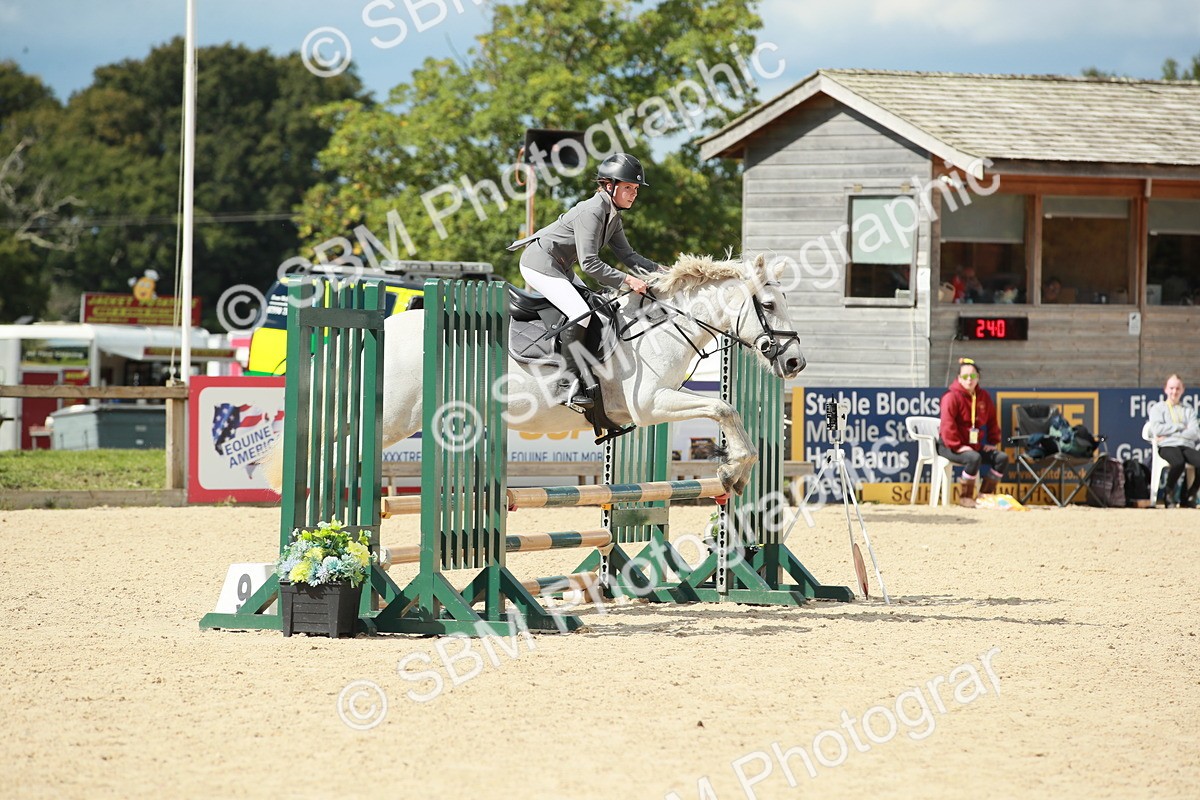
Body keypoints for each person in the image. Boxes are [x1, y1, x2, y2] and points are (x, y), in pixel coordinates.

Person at [507, 152, 662, 410]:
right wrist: (628, 281)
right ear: (609, 185)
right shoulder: (592, 211)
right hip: (539, 264)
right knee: (581, 312)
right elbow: (589, 263)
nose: (633, 194)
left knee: (600, 312)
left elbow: (628, 255)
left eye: (635, 189)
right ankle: (566, 385)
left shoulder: (612, 216)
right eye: (628, 188)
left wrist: (663, 271)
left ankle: (591, 376)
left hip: (561, 267)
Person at [938, 357, 1008, 508]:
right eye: (965, 376)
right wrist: (957, 446)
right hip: (949, 446)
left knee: (1001, 458)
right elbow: (947, 425)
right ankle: (966, 497)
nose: (969, 379)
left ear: (978, 378)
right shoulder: (951, 397)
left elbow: (992, 421)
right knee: (974, 458)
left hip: (973, 445)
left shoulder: (983, 397)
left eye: (973, 376)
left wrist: (991, 442)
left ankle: (985, 496)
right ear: (959, 378)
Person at [1146, 374, 1200, 508]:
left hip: (1185, 445)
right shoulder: (1157, 408)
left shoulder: (1188, 411)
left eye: (1177, 388)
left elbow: (1195, 433)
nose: (1174, 392)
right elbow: (1157, 429)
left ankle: (1189, 494)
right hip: (1167, 446)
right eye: (1171, 388)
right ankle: (1168, 492)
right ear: (1165, 389)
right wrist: (1180, 427)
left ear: (1182, 390)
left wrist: (1170, 433)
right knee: (1178, 462)